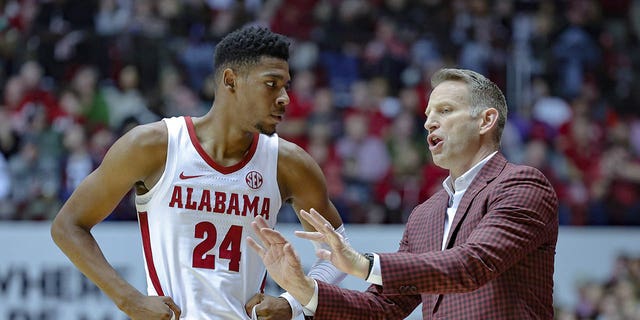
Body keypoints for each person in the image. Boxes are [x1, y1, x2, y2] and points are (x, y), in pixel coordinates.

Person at [51, 26, 347, 320]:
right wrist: (128, 300)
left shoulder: (289, 163)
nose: (284, 98)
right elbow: (68, 226)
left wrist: (294, 303)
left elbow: (339, 249)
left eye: (286, 86)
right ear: (231, 80)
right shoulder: (154, 145)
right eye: (271, 84)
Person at [248, 68, 559, 319]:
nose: (429, 122)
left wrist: (362, 264)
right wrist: (304, 290)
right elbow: (381, 310)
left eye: (445, 110)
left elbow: (470, 265)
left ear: (486, 121)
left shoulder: (521, 186)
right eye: (427, 113)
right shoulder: (424, 215)